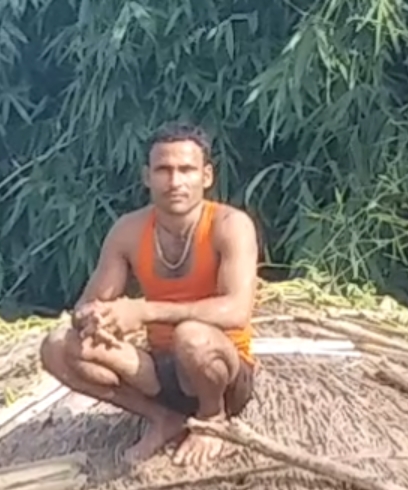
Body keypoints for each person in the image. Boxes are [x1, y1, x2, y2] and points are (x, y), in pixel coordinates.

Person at [39, 122, 260, 467]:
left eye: (186, 170)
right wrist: (94, 318)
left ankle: (212, 418)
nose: (175, 182)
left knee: (193, 338)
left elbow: (236, 311)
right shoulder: (128, 230)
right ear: (147, 176)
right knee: (57, 346)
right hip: (158, 369)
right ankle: (161, 418)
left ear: (206, 176)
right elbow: (87, 303)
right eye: (164, 170)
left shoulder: (230, 225)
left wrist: (143, 311)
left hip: (221, 370)